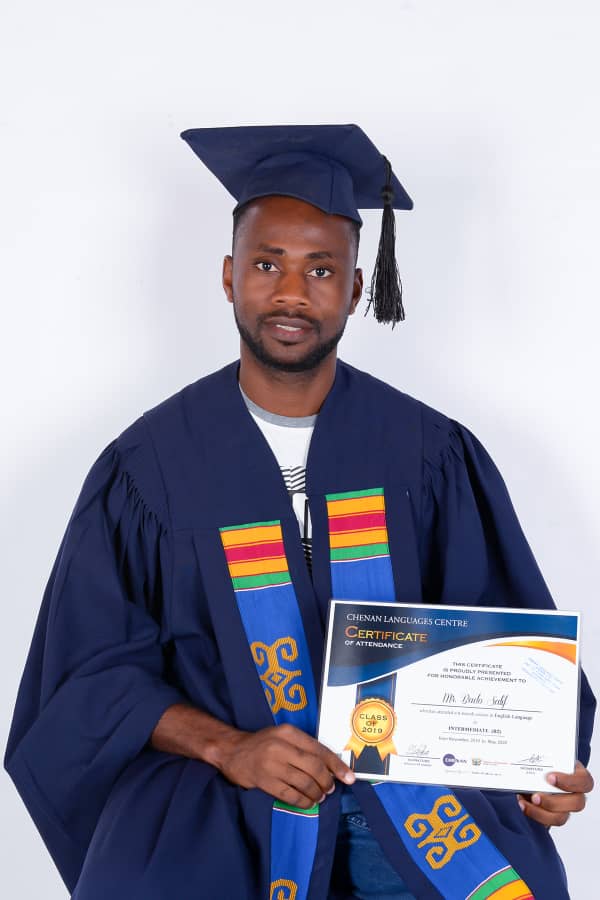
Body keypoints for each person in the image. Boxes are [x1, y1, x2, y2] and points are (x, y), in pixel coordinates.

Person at [4, 124, 595, 900]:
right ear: (228, 278)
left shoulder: (426, 454)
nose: (291, 292)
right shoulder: (151, 470)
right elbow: (86, 678)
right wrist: (229, 749)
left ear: (354, 288)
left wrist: (543, 764)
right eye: (266, 264)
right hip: (220, 804)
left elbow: (513, 638)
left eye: (321, 269)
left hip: (420, 799)